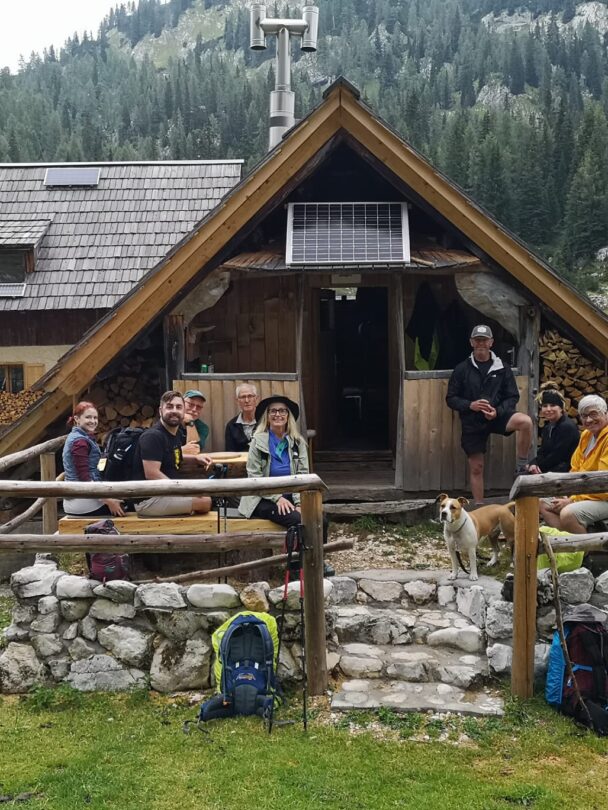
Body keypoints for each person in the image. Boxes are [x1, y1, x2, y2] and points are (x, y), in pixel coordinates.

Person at [238, 395, 334, 576]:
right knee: (299, 521)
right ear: (267, 416)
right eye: (273, 411)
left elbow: (303, 476)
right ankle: (299, 565)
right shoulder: (257, 442)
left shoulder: (298, 443)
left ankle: (317, 560)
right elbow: (254, 477)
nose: (278, 414)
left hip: (292, 497)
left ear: (288, 416)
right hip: (262, 498)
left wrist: (299, 502)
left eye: (282, 411)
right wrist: (277, 498)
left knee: (321, 518)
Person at [446, 324, 533, 504]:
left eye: (484, 340)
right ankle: (479, 508)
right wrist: (471, 405)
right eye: (477, 340)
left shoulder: (503, 368)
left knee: (526, 422)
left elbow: (512, 396)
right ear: (471, 342)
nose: (481, 343)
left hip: (497, 416)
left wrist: (497, 411)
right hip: (472, 420)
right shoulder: (461, 369)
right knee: (477, 468)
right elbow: (451, 398)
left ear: (491, 342)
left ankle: (521, 466)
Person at [132, 390, 212, 517]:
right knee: (205, 502)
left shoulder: (174, 434)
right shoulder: (153, 436)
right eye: (169, 407)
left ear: (183, 411)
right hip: (149, 500)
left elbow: (174, 455)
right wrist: (181, 491)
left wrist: (195, 459)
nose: (174, 410)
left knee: (203, 492)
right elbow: (152, 473)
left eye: (178, 407)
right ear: (160, 410)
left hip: (166, 493)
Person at [540, 395, 608, 534]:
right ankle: (570, 547)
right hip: (585, 495)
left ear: (605, 413)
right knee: (543, 503)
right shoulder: (586, 436)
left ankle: (582, 553)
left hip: (604, 497)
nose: (588, 420)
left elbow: (603, 485)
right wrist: (566, 493)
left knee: (568, 514)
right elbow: (575, 468)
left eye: (594, 414)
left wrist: (572, 501)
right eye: (584, 416)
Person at [62, 401, 126, 517]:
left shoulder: (78, 436)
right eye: (88, 417)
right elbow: (84, 479)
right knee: (126, 508)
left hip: (78, 497)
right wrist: (108, 500)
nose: (93, 421)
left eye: (95, 417)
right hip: (83, 502)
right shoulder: (79, 442)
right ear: (77, 419)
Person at [525, 388, 579, 474]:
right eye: (545, 406)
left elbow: (558, 456)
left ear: (561, 408)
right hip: (551, 468)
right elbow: (543, 451)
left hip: (566, 471)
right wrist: (533, 463)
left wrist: (539, 467)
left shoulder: (567, 427)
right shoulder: (548, 427)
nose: (548, 409)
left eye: (553, 405)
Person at [225, 383, 259, 452]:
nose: (247, 400)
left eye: (250, 396)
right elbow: (230, 453)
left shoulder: (264, 421)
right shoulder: (231, 425)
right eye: (243, 397)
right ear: (237, 401)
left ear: (256, 399)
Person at [180, 390, 210, 456]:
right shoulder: (172, 422)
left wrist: (190, 422)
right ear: (182, 404)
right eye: (190, 404)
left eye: (199, 407)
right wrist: (181, 450)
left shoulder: (202, 427)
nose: (194, 409)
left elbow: (195, 449)